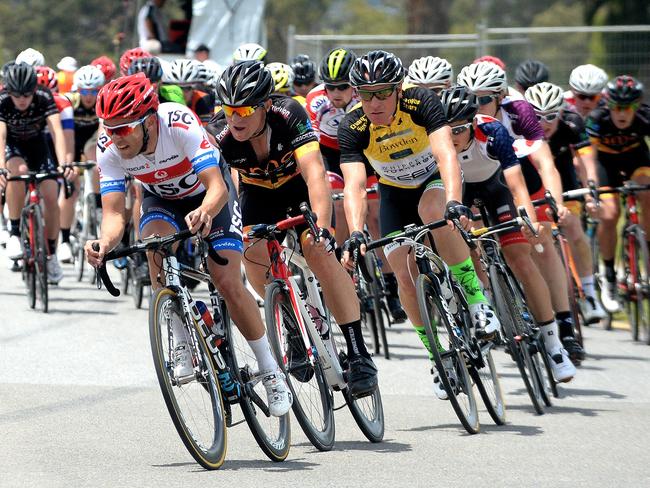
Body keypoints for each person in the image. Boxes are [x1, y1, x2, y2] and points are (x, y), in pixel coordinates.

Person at [84, 73, 292, 416]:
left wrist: (205, 211)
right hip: (161, 201)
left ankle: (270, 369)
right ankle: (180, 336)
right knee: (153, 245)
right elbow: (113, 214)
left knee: (225, 280)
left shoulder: (178, 123)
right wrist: (104, 243)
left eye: (123, 129)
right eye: (108, 127)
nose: (114, 137)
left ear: (148, 121)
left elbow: (217, 187)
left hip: (209, 195)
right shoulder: (109, 149)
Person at [207, 60, 378, 398]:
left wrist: (324, 226)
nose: (235, 118)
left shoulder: (289, 114)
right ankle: (288, 320)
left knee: (318, 250)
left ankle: (359, 354)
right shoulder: (222, 135)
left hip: (298, 192)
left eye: (244, 109)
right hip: (258, 196)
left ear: (265, 105)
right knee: (251, 252)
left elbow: (315, 173)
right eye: (229, 109)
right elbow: (217, 186)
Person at [337, 50, 501, 399]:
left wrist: (455, 201)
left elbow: (445, 154)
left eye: (383, 92)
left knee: (434, 213)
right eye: (366, 94)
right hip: (395, 192)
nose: (374, 101)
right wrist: (355, 231)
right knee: (404, 275)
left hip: (432, 180)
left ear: (398, 89)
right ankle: (436, 355)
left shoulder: (420, 101)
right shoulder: (352, 127)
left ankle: (476, 301)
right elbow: (354, 186)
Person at [439, 85, 577, 381]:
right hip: (460, 195)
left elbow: (516, 184)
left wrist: (527, 217)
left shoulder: (493, 132)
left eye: (460, 129)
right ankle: (485, 301)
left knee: (522, 260)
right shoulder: (436, 142)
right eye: (448, 130)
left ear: (473, 122)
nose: (453, 137)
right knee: (468, 249)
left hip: (495, 189)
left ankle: (554, 346)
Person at [305, 47, 406, 322]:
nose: (335, 93)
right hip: (329, 154)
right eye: (330, 86)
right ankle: (346, 271)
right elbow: (311, 148)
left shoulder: (366, 100)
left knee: (374, 214)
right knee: (337, 207)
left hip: (363, 152)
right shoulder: (315, 101)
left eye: (342, 87)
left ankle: (390, 285)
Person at [524, 82, 606, 324]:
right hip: (531, 184)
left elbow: (586, 160)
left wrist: (592, 191)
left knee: (573, 226)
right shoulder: (519, 126)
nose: (544, 123)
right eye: (537, 116)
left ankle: (590, 293)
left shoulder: (573, 122)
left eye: (551, 116)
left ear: (562, 111)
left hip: (565, 181)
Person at [0, 62, 70, 283]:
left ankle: (50, 255)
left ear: (34, 90)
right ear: (8, 91)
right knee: (17, 171)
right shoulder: (2, 100)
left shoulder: (44, 96)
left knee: (51, 195)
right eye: (16, 94)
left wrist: (64, 163)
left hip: (38, 146)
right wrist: (1, 167)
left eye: (27, 95)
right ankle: (14, 232)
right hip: (13, 146)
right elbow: (0, 138)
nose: (22, 99)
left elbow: (57, 133)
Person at [585, 75, 650, 312]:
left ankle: (646, 250)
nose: (622, 113)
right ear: (608, 105)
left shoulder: (645, 117)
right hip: (605, 163)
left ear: (637, 106)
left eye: (628, 107)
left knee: (647, 195)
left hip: (636, 159)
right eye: (617, 107)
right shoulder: (597, 118)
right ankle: (610, 273)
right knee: (610, 214)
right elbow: (588, 155)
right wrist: (591, 185)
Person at [165, 59, 214, 124]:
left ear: (193, 89)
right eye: (176, 88)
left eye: (186, 88)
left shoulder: (202, 100)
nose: (181, 93)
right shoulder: (162, 98)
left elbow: (205, 132)